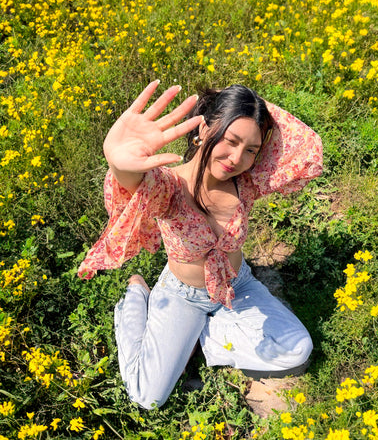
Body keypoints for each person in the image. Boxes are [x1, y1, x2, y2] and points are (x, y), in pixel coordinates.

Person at [78, 80, 323, 410]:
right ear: (204, 129)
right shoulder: (171, 187)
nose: (237, 157)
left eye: (251, 150)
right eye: (231, 140)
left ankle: (197, 337)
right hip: (184, 296)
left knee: (298, 349)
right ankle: (137, 296)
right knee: (146, 396)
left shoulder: (247, 183)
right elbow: (136, 182)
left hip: (237, 285)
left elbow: (302, 146)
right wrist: (118, 161)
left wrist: (252, 105)